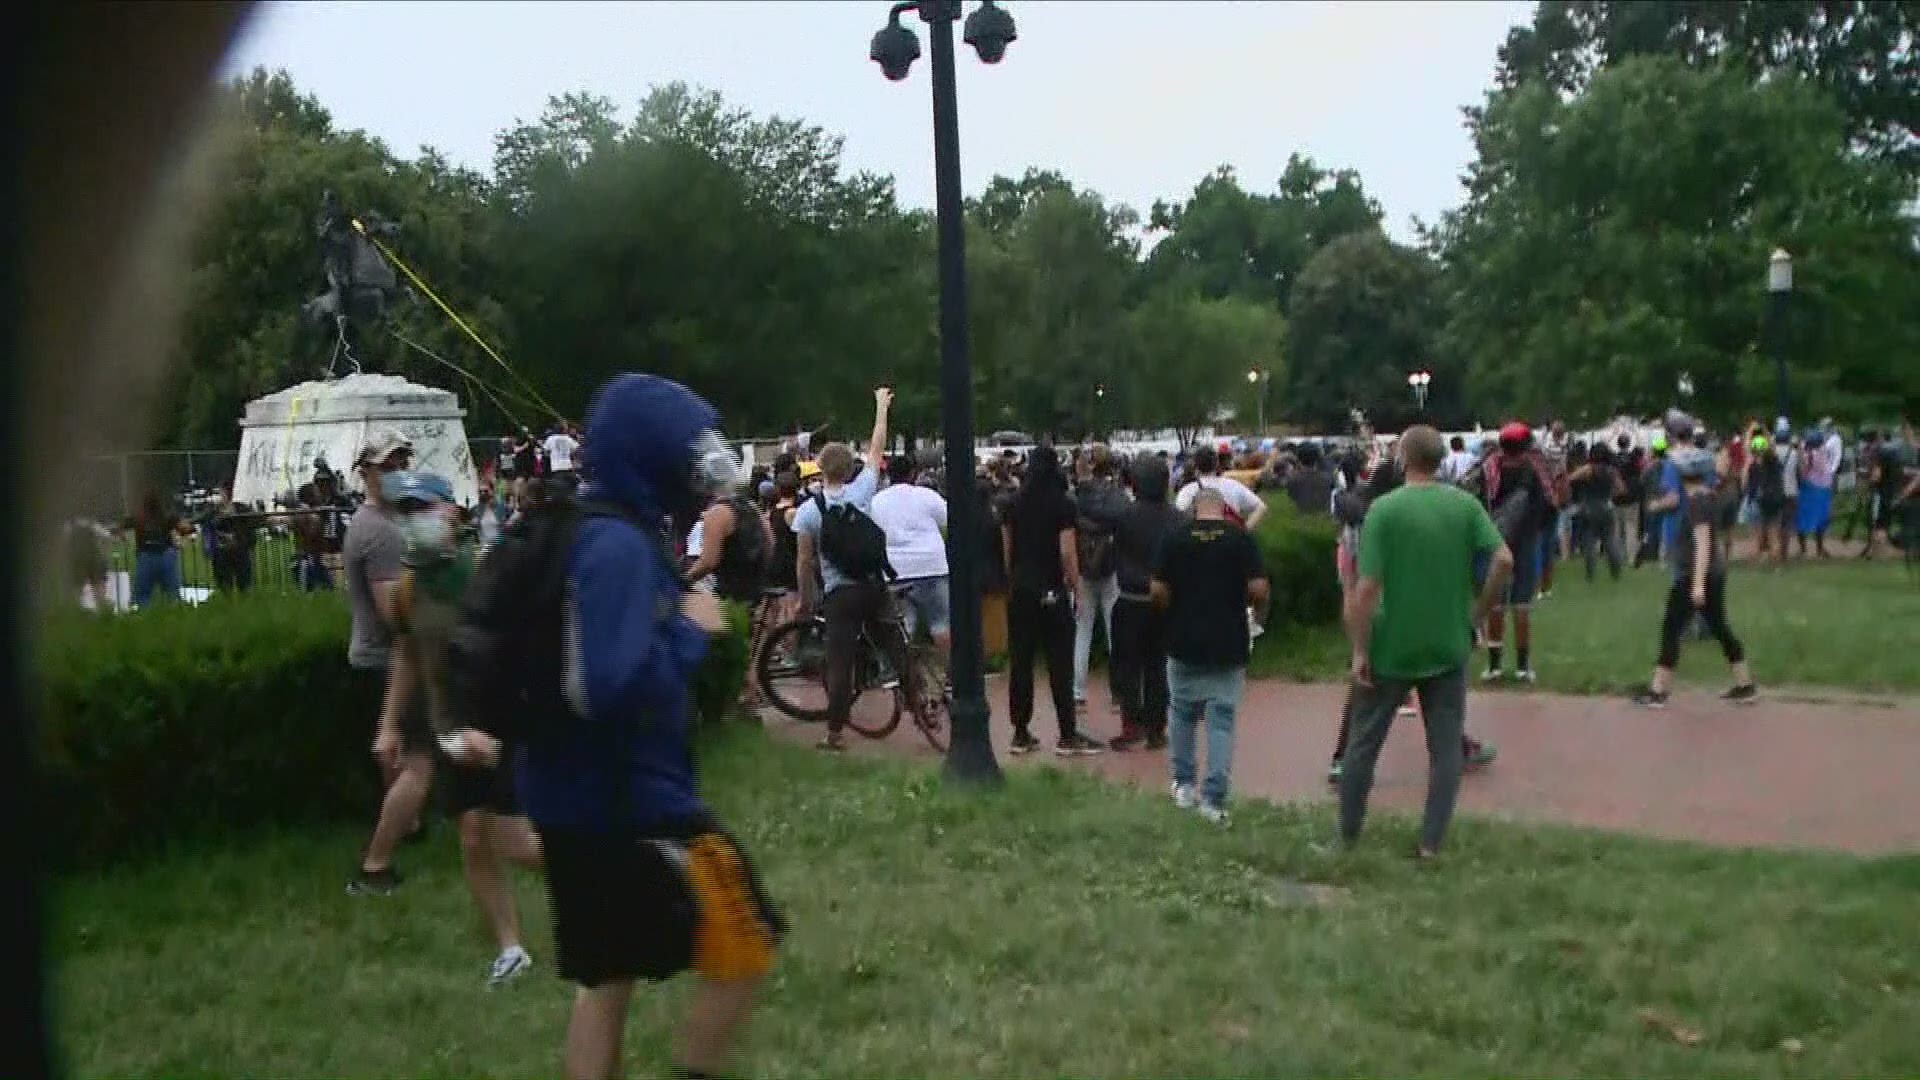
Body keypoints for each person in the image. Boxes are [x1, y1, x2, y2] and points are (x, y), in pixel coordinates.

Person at [447, 373, 785, 1080]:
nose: (702, 470)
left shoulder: (594, 529)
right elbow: (607, 684)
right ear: (650, 455)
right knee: (746, 937)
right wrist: (692, 634)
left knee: (606, 975)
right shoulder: (619, 549)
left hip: (571, 798)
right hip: (630, 805)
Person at [382, 470, 542, 985]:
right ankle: (511, 949)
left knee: (518, 842)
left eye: (422, 508)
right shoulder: (408, 589)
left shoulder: (484, 573)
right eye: (404, 512)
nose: (413, 522)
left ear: (451, 512)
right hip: (448, 729)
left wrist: (495, 733)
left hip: (499, 726)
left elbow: (525, 653)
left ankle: (610, 873)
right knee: (473, 838)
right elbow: (408, 653)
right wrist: (389, 724)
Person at [1339, 425, 1515, 859]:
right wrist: (1477, 613)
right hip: (1447, 641)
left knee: (1363, 744)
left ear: (1401, 458)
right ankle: (1430, 843)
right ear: (1440, 460)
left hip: (1391, 644)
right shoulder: (1464, 505)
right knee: (1445, 745)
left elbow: (1366, 587)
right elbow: (1504, 559)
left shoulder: (1384, 510)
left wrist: (1359, 648)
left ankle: (1347, 836)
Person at [793, 388, 914, 753]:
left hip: (840, 592)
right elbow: (877, 447)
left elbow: (804, 562)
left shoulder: (809, 512)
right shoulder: (862, 491)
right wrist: (880, 407)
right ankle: (920, 700)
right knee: (895, 645)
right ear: (849, 469)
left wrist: (805, 600)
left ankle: (834, 734)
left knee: (840, 661)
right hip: (873, 583)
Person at [1151, 487, 1269, 825]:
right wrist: (1244, 603)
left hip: (1183, 638)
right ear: (1225, 509)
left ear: (1192, 510)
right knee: (1221, 720)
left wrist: (1170, 609)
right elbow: (1259, 589)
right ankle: (1214, 799)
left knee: (1182, 713)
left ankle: (1184, 784)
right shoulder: (1240, 538)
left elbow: (1157, 590)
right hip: (1228, 638)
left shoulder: (1174, 538)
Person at [344, 430, 429, 896]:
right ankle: (376, 865)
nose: (396, 472)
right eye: (385, 466)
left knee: (397, 755)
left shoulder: (388, 519)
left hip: (386, 656)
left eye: (401, 462)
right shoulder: (378, 530)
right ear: (367, 473)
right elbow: (397, 614)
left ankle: (409, 825)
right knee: (419, 762)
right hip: (392, 659)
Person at [1632, 448, 1758, 708]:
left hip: (1695, 575)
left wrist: (1698, 583)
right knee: (1719, 627)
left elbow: (1702, 543)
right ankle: (1745, 684)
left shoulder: (1698, 503)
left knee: (1672, 627)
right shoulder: (1708, 497)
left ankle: (1658, 691)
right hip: (1714, 572)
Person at [1000, 447, 1103, 756]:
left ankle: (1020, 731)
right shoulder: (1062, 504)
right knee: (1060, 663)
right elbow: (1067, 552)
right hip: (1051, 588)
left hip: (1021, 587)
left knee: (1021, 661)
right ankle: (1067, 734)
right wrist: (1075, 587)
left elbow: (1007, 549)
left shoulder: (1012, 503)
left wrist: (1013, 579)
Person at [1108, 455, 1181, 751]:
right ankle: (1156, 727)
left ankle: (1130, 723)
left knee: (1127, 665)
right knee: (1159, 665)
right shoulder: (1179, 519)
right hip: (1165, 600)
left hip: (1129, 598)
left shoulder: (1124, 517)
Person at [1480, 422, 1555, 683]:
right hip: (1525, 543)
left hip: (1494, 543)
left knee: (1496, 605)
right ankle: (1523, 667)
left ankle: (1494, 666)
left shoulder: (1489, 470)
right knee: (1521, 605)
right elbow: (1550, 506)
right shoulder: (1534, 472)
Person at [869, 454, 951, 657]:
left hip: (895, 570)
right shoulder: (927, 496)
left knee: (904, 627)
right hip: (931, 566)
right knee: (940, 623)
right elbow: (948, 520)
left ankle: (906, 677)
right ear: (913, 474)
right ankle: (950, 673)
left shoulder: (877, 501)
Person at [1070, 444, 1129, 711]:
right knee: (1114, 630)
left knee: (1082, 631)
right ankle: (1119, 692)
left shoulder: (1076, 497)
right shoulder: (1118, 495)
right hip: (1110, 563)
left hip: (1083, 565)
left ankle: (1078, 692)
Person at [1174, 445, 1267, 530]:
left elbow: (1179, 517)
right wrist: (1245, 530)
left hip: (1199, 540)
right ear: (1217, 464)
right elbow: (1260, 506)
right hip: (1229, 537)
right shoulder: (1233, 485)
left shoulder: (1187, 490)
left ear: (1195, 466)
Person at [1568, 442, 1623, 581]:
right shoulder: (1611, 471)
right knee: (1610, 540)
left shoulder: (1588, 469)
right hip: (1606, 506)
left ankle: (1590, 574)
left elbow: (1570, 479)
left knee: (1590, 542)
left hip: (1588, 508)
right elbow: (1621, 489)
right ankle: (1615, 570)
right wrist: (1610, 496)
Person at [127, 490, 187, 609]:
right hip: (166, 556)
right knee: (172, 594)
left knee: (143, 596)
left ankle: (147, 618)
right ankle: (175, 616)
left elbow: (121, 527)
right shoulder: (167, 516)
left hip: (145, 557)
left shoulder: (139, 518)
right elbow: (185, 529)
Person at [544, 423, 581, 496]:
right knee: (572, 486)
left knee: (559, 488)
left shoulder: (550, 438)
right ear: (563, 430)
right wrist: (570, 453)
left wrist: (552, 455)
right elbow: (578, 449)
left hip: (556, 467)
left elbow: (545, 452)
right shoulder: (568, 438)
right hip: (568, 467)